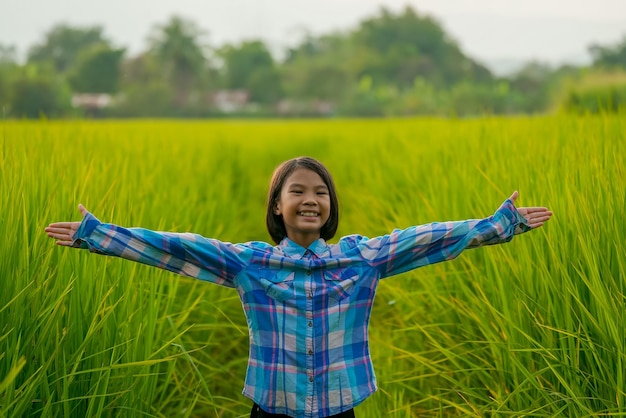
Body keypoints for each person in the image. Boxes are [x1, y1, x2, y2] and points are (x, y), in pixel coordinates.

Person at [45, 156, 553, 418]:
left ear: (331, 206)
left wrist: (498, 225)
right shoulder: (252, 264)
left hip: (340, 409)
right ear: (277, 206)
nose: (311, 200)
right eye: (298, 192)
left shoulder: (361, 258)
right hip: (272, 410)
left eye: (321, 192)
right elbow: (180, 247)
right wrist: (100, 236)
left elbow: (428, 239)